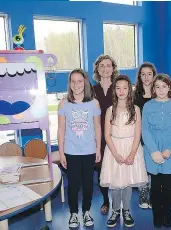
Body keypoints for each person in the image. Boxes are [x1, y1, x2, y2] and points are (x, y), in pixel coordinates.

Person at [100, 75, 148, 228]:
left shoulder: (136, 109)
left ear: (130, 90)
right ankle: (115, 210)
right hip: (114, 149)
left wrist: (132, 154)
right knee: (116, 182)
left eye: (125, 88)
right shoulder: (110, 110)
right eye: (118, 88)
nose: (121, 91)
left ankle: (126, 210)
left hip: (131, 148)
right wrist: (115, 154)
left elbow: (137, 133)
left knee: (127, 182)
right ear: (114, 90)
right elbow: (107, 135)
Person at [58, 69, 101, 228]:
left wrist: (98, 149)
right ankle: (74, 213)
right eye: (73, 81)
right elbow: (61, 129)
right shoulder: (63, 103)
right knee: (74, 184)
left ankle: (86, 211)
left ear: (86, 82)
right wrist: (61, 152)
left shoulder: (94, 103)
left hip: (89, 150)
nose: (76, 84)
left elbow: (97, 127)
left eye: (80, 81)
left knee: (88, 183)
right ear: (69, 83)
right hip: (71, 151)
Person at [142, 74, 171, 228]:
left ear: (169, 88)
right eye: (157, 87)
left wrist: (170, 150)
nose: (161, 90)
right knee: (154, 187)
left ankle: (167, 213)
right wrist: (153, 151)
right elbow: (145, 130)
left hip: (169, 153)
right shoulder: (148, 106)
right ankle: (157, 215)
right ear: (153, 89)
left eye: (164, 86)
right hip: (152, 151)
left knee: (167, 187)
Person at [92, 54, 119, 215]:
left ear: (113, 68)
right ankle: (106, 201)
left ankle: (118, 204)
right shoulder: (91, 90)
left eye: (108, 65)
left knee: (117, 170)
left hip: (116, 135)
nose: (105, 69)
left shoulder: (119, 87)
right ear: (97, 69)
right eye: (102, 66)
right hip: (98, 136)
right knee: (102, 169)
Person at [133, 62, 157, 209]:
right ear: (140, 77)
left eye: (149, 74)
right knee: (142, 166)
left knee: (154, 166)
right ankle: (143, 193)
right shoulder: (135, 96)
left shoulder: (160, 93)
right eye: (143, 74)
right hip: (140, 137)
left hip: (156, 137)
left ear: (154, 75)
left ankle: (154, 194)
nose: (146, 77)